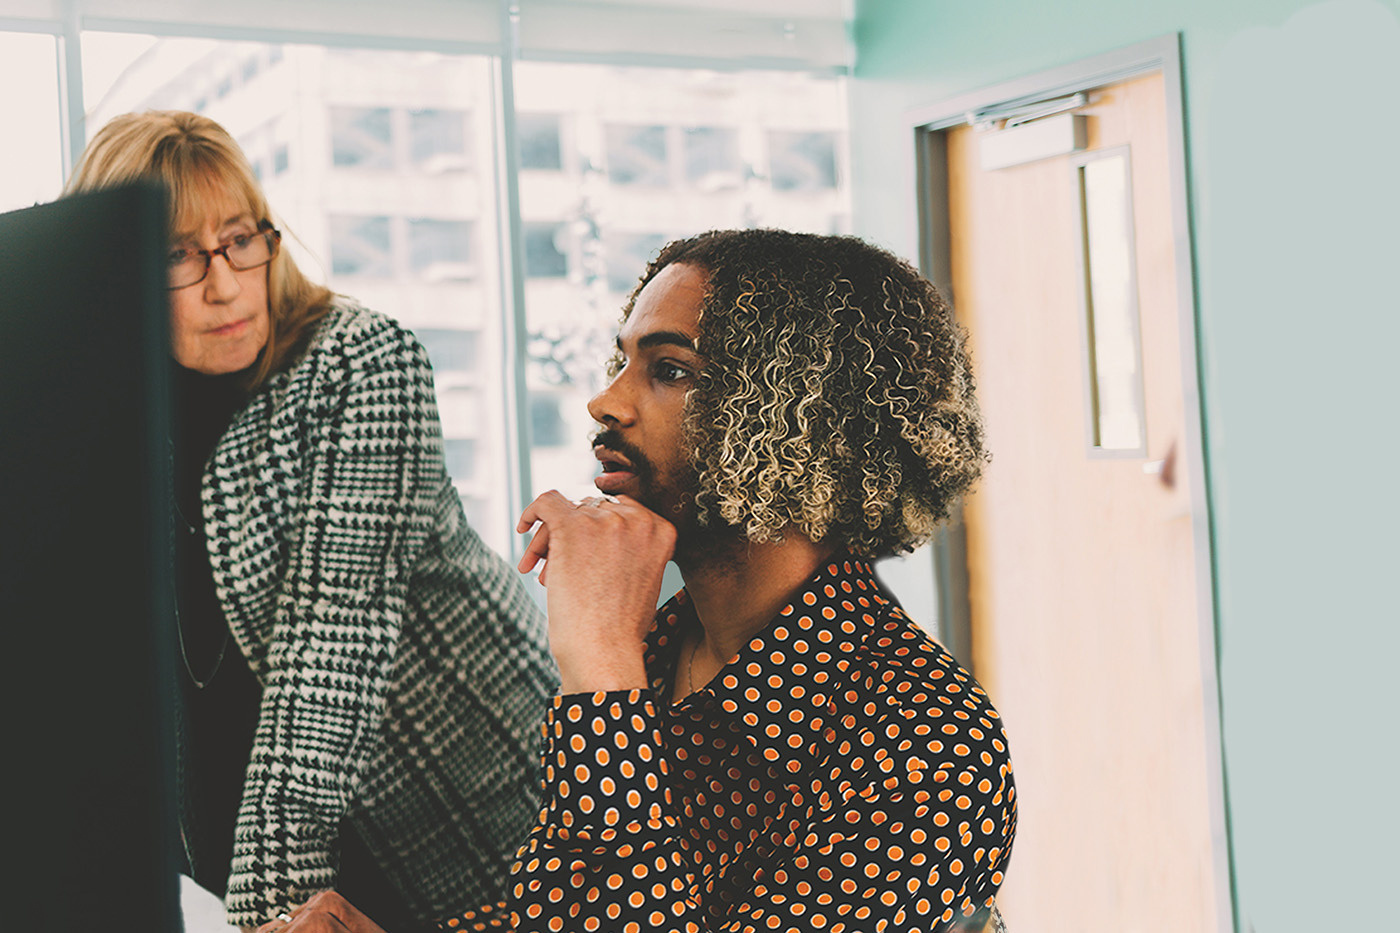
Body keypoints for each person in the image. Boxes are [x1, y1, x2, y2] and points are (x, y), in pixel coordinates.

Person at [273, 228, 1016, 933]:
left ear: (802, 422)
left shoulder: (929, 750)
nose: (606, 401)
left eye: (669, 370)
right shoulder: (665, 644)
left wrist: (599, 668)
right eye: (623, 361)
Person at [62, 111, 558, 933]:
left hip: (466, 803)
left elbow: (329, 645)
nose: (223, 283)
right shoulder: (119, 423)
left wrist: (270, 912)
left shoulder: (362, 363)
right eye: (178, 255)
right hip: (265, 840)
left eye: (239, 239)